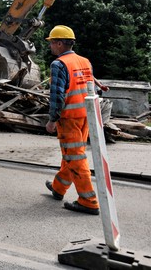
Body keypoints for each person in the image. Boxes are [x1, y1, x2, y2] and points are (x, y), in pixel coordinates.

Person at [44, 25, 100, 215]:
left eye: (52, 42)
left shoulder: (58, 64)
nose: (50, 46)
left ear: (60, 43)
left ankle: (88, 200)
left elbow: (57, 96)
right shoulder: (84, 61)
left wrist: (53, 119)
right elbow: (91, 85)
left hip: (69, 118)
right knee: (72, 154)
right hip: (86, 115)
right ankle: (58, 188)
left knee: (76, 158)